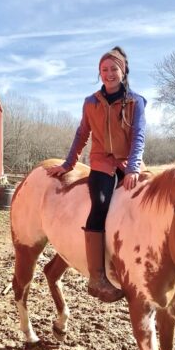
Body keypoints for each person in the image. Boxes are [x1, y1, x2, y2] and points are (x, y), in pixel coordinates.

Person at [47, 46, 146, 303]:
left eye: (114, 69)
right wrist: (68, 164)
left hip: (128, 163)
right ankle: (98, 277)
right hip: (102, 163)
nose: (109, 73)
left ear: (123, 72)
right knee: (100, 205)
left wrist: (134, 167)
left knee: (146, 204)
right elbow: (82, 134)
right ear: (99, 73)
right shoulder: (91, 102)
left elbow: (138, 137)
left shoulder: (137, 102)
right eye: (104, 69)